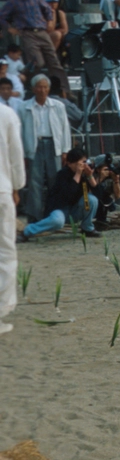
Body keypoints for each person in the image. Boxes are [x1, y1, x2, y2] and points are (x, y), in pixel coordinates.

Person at [0, 0, 69, 95]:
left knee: (54, 62)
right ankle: (31, 86)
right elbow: (2, 16)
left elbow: (47, 10)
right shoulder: (13, 2)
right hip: (27, 33)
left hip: (42, 32)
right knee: (37, 62)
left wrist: (49, 21)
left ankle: (64, 90)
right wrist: (10, 28)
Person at [17, 74, 71, 222]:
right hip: (34, 145)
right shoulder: (23, 107)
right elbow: (20, 131)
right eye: (39, 87)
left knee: (55, 180)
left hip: (54, 144)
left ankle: (54, 214)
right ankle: (34, 216)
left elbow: (65, 128)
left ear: (49, 88)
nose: (42, 90)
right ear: (33, 89)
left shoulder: (58, 106)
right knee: (35, 182)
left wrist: (65, 150)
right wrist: (22, 153)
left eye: (45, 87)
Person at [19, 147, 100, 242]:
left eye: (84, 162)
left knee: (92, 200)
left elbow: (99, 195)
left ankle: (87, 228)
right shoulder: (62, 174)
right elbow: (68, 195)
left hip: (75, 210)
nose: (83, 166)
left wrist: (90, 176)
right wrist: (78, 174)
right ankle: (26, 232)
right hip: (60, 209)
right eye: (80, 163)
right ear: (69, 163)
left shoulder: (84, 174)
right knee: (57, 222)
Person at [0, 99, 20, 334]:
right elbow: (16, 155)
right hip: (2, 188)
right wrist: (17, 185)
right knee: (5, 251)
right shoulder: (6, 114)